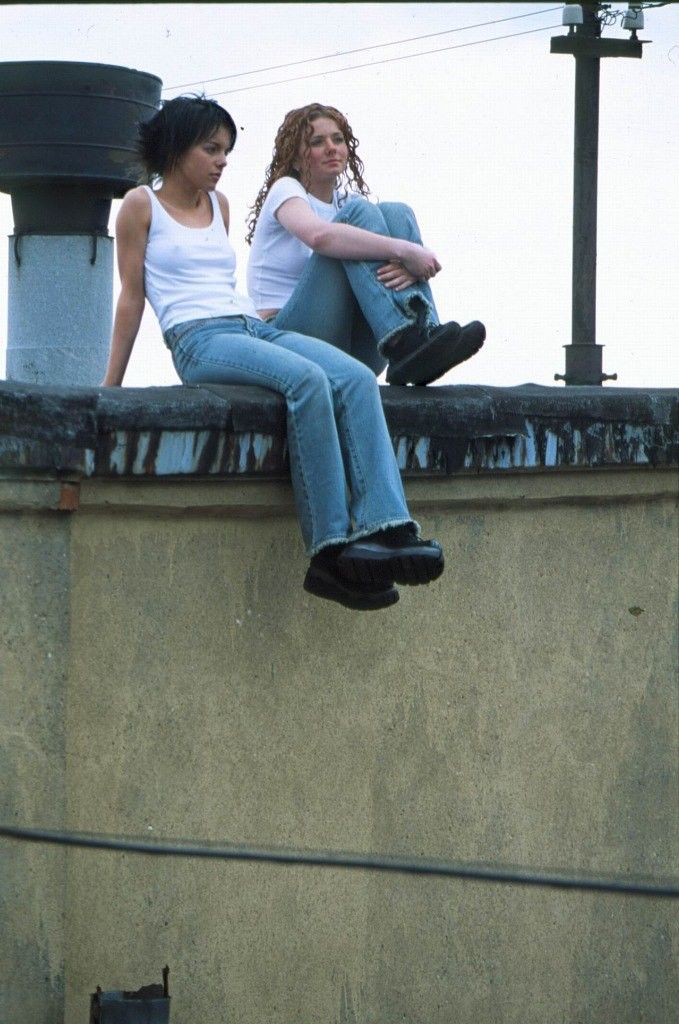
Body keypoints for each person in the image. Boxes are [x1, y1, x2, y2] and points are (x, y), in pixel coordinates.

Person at [101, 95, 445, 612]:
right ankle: (330, 551)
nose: (221, 161)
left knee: (352, 377)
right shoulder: (140, 205)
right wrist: (110, 390)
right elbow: (131, 297)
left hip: (245, 325)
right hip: (199, 338)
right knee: (306, 382)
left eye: (226, 151)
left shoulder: (217, 206)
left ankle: (389, 524)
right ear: (176, 149)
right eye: (211, 149)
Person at [246, 102, 485, 386]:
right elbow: (319, 237)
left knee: (397, 212)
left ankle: (422, 334)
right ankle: (403, 339)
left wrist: (406, 270)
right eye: (317, 142)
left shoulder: (347, 201)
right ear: (296, 159)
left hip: (355, 348)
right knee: (359, 219)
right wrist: (405, 251)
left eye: (338, 139)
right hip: (290, 340)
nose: (332, 147)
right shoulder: (286, 189)